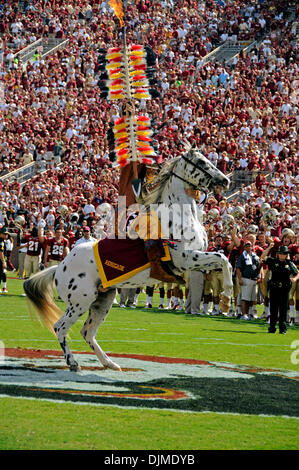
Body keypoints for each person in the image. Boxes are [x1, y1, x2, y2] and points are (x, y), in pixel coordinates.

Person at [261, 245, 299, 334]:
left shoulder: (289, 263)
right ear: (278, 254)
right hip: (274, 288)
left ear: (286, 255)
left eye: (284, 254)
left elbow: (297, 273)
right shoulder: (272, 261)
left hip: (285, 289)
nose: (282, 255)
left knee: (283, 309)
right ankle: (272, 328)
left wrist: (295, 279)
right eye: (280, 254)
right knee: (273, 309)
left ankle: (283, 329)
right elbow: (262, 257)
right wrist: (269, 248)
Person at [236, 241, 261, 320]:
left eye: (250, 245)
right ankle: (244, 314)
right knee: (245, 298)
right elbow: (238, 268)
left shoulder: (255, 256)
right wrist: (240, 279)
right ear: (244, 247)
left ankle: (249, 313)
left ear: (252, 247)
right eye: (247, 246)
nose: (248, 247)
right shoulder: (242, 256)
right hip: (245, 278)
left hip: (254, 279)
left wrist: (259, 276)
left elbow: (258, 267)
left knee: (252, 298)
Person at [0, 227, 8, 294]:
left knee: (3, 273)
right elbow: (1, 252)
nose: (6, 235)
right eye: (4, 234)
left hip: (3, 258)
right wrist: (3, 262)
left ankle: (4, 287)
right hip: (1, 259)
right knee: (2, 273)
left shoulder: (3, 240)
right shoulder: (1, 241)